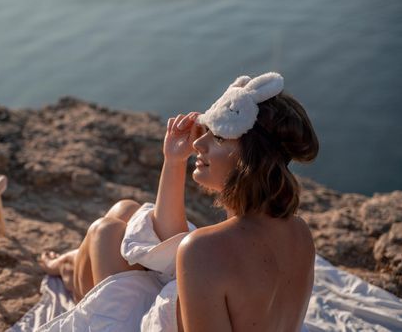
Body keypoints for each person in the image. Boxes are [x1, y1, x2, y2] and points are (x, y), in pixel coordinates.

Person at [39, 72, 319, 331]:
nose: (199, 143)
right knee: (124, 211)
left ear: (249, 160)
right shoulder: (300, 232)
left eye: (218, 136)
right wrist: (174, 162)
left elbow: (207, 260)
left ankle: (71, 270)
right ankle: (73, 265)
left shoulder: (202, 249)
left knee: (105, 232)